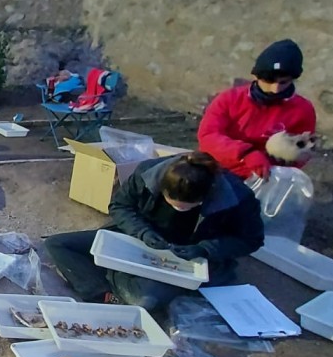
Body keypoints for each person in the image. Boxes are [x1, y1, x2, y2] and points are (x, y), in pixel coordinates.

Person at [44, 151, 264, 312]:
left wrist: (204, 248)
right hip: (139, 240)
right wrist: (141, 232)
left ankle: (121, 278)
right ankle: (104, 293)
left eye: (188, 206)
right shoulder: (147, 174)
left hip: (189, 258)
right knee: (57, 244)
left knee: (144, 301)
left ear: (208, 196)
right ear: (162, 188)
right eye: (173, 202)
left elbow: (251, 240)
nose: (180, 209)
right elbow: (119, 206)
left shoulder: (238, 198)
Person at [198, 39, 317, 180]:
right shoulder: (229, 99)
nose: (275, 89)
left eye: (283, 82)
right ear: (256, 76)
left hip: (265, 176)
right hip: (217, 169)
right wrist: (246, 153)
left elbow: (300, 158)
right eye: (269, 81)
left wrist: (293, 156)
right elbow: (207, 136)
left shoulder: (303, 110)